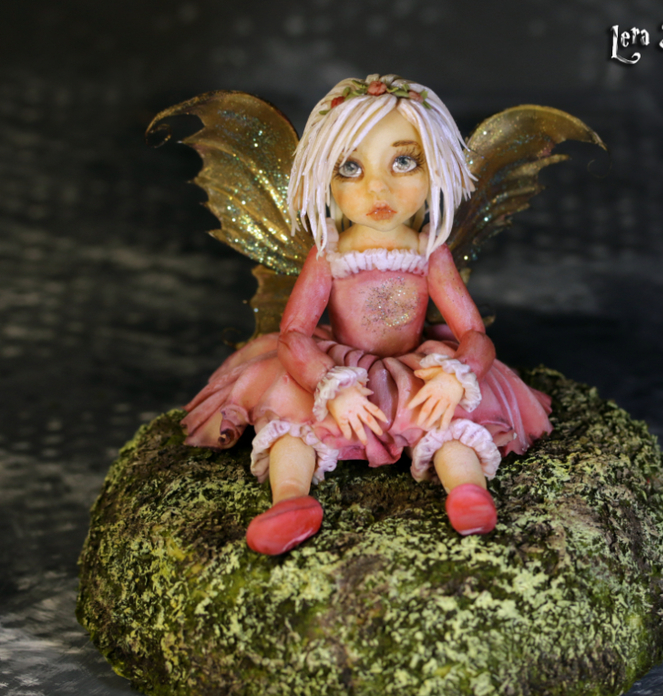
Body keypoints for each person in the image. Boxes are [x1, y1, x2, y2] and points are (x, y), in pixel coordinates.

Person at [181, 74, 553, 555]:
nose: (378, 187)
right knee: (293, 427)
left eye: (404, 161)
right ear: (325, 178)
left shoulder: (429, 252)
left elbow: (474, 334)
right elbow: (293, 334)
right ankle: (290, 502)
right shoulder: (328, 252)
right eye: (350, 167)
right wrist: (327, 385)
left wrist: (456, 376)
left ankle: (468, 493)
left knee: (449, 425)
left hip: (415, 370)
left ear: (436, 166)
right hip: (338, 370)